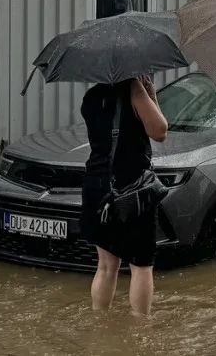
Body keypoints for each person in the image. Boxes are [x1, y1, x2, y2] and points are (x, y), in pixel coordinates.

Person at [79, 76, 168, 315]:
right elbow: (160, 131)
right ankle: (139, 333)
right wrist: (150, 96)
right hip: (132, 189)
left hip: (97, 185)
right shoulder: (134, 89)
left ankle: (100, 321)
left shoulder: (92, 96)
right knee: (141, 264)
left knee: (107, 266)